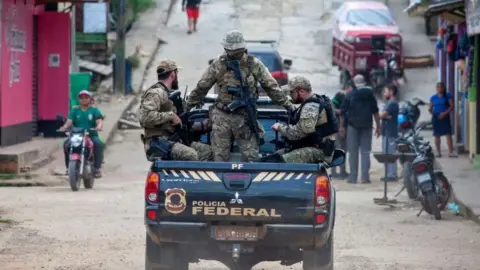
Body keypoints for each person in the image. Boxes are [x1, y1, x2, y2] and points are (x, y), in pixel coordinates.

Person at [186, 30, 294, 162]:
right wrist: (188, 105)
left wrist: (288, 105)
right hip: (222, 117)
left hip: (245, 117)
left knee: (251, 159)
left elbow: (271, 87)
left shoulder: (253, 64)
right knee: (219, 159)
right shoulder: (219, 63)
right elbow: (202, 86)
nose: (233, 53)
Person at [139, 60, 212, 161]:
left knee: (207, 151)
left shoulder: (171, 96)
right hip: (158, 142)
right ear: (173, 74)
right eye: (177, 74)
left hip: (173, 139)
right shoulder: (156, 93)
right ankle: (185, 177)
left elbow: (182, 122)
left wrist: (202, 125)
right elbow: (145, 118)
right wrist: (171, 116)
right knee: (191, 155)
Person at [271, 76, 338, 163]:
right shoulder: (313, 101)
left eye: (292, 93)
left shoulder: (311, 106)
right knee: (271, 159)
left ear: (301, 91)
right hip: (311, 147)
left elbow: (299, 132)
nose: (290, 95)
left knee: (277, 162)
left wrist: (280, 127)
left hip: (318, 151)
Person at [340, 74, 380, 184]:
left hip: (352, 126)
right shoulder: (370, 95)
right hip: (367, 126)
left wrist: (341, 127)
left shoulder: (349, 95)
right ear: (364, 83)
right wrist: (378, 127)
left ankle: (353, 177)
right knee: (365, 152)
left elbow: (342, 112)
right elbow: (376, 112)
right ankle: (365, 177)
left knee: (353, 152)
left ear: (354, 83)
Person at [59, 90, 104, 178]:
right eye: (81, 98)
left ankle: (97, 168)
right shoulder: (75, 111)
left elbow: (99, 121)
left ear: (90, 99)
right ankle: (69, 167)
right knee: (66, 144)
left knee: (98, 144)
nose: (84, 100)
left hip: (91, 136)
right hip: (77, 136)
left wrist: (99, 126)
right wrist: (64, 127)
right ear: (79, 99)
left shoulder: (94, 110)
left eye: (86, 97)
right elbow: (69, 122)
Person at [429, 82, 457, 158]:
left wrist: (444, 113)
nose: (439, 89)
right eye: (437, 87)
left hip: (445, 117)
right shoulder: (433, 98)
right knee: (437, 135)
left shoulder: (448, 96)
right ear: (436, 88)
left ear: (443, 88)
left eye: (441, 87)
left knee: (448, 134)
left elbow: (452, 106)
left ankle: (451, 152)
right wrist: (435, 115)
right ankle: (438, 152)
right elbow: (430, 109)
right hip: (436, 118)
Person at [331, 83, 352, 179]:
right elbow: (332, 108)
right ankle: (335, 172)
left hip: (345, 127)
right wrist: (341, 112)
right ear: (346, 88)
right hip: (338, 127)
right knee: (338, 149)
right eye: (349, 88)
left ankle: (342, 171)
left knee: (343, 150)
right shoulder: (339, 96)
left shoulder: (350, 98)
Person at [379, 84, 400, 182]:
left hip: (391, 132)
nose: (384, 94)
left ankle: (392, 175)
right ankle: (389, 174)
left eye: (385, 91)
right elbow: (383, 115)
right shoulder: (388, 103)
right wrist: (384, 115)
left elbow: (382, 114)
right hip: (386, 132)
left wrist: (383, 115)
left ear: (391, 92)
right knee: (386, 154)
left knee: (390, 154)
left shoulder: (393, 103)